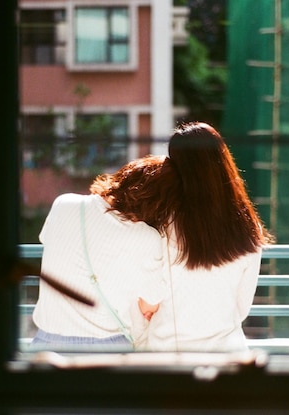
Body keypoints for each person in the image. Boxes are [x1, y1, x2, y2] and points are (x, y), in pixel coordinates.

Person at [144, 122, 274, 352]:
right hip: (227, 358)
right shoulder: (247, 227)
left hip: (166, 359)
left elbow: (149, 298)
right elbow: (241, 309)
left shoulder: (162, 223)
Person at [31, 155, 178, 350]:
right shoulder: (146, 237)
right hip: (105, 350)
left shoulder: (63, 204)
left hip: (45, 345)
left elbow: (49, 241)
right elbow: (150, 305)